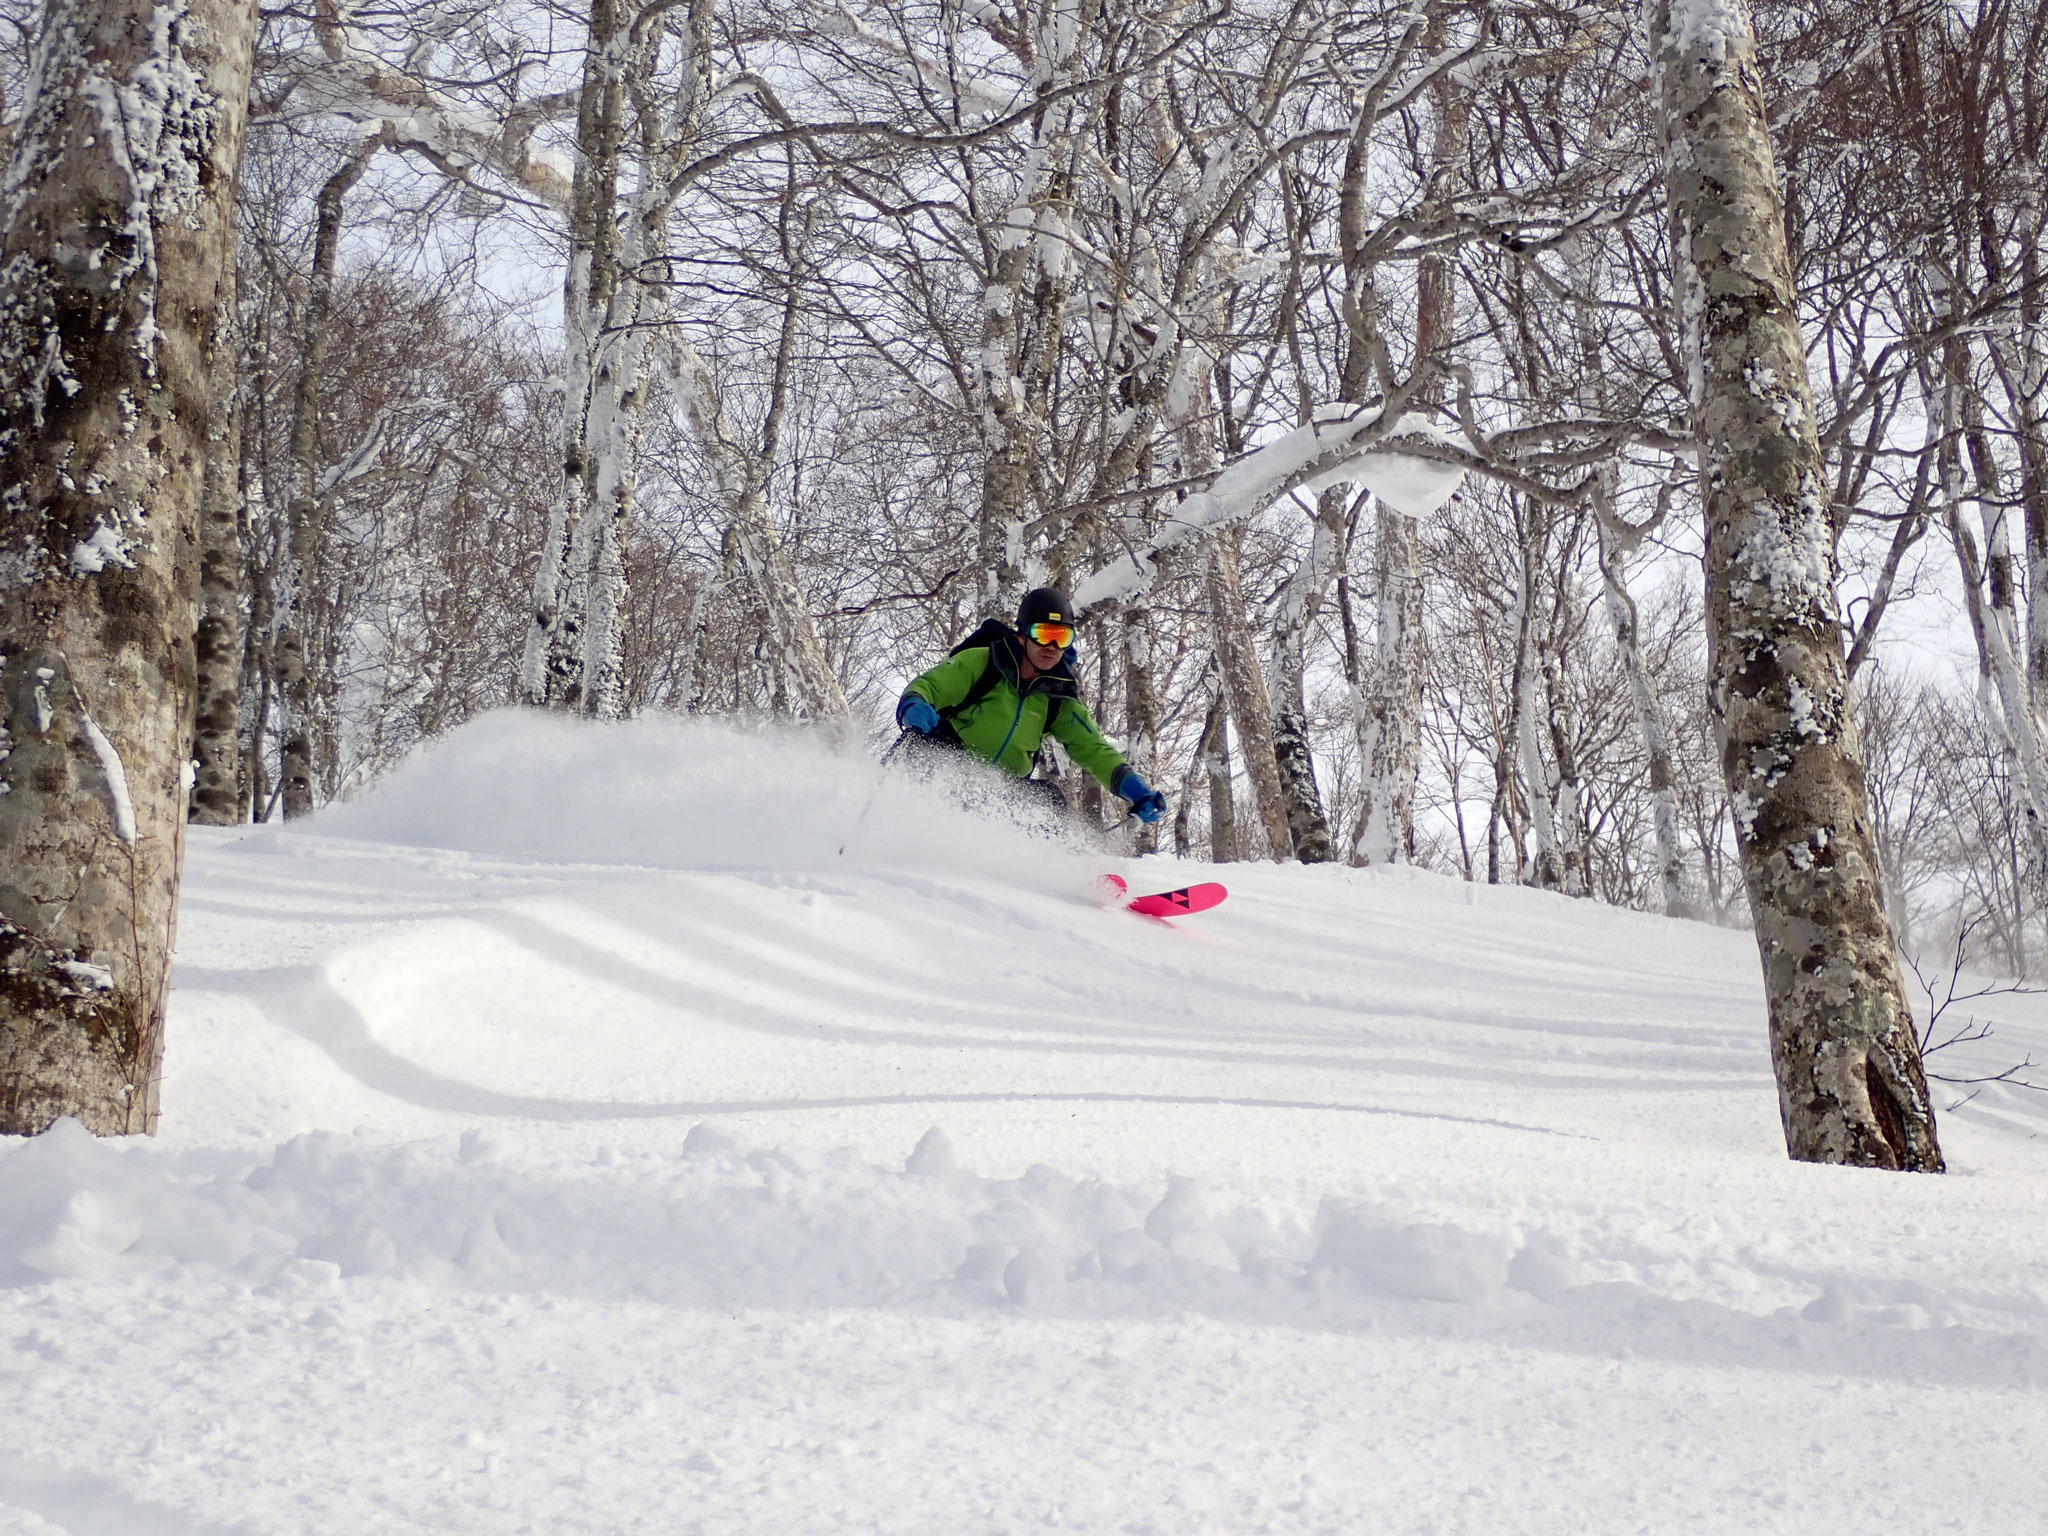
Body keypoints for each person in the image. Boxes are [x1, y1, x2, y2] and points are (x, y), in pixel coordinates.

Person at [895, 587, 1168, 826]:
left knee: (1048, 802)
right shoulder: (984, 663)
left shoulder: (1058, 697)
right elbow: (930, 686)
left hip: (1000, 793)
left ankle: (1037, 873)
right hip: (948, 773)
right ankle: (899, 826)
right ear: (1023, 635)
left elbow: (1094, 750)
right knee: (922, 746)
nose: (1051, 646)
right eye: (1043, 634)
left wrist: (1136, 790)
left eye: (1061, 637)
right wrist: (914, 704)